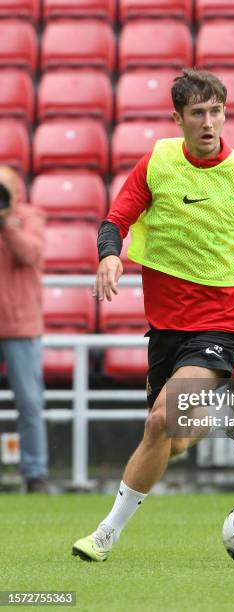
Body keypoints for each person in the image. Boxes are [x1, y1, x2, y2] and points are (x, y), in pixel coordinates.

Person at [72, 69, 234, 561]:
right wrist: (109, 254)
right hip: (165, 326)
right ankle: (222, 411)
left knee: (157, 423)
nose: (208, 121)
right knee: (171, 442)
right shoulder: (157, 163)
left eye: (215, 111)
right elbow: (115, 220)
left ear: (225, 114)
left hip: (221, 323)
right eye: (197, 113)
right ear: (177, 118)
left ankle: (105, 535)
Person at [0, 165, 48, 493]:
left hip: (21, 325)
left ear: (17, 193)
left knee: (29, 403)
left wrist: (5, 223)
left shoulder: (30, 217)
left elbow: (29, 253)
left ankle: (35, 474)